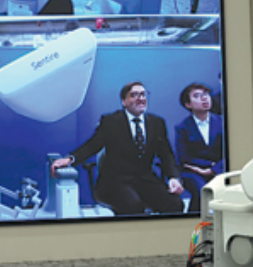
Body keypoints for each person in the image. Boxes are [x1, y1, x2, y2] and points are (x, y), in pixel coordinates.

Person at [51, 82, 184, 215]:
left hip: (145, 179)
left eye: (143, 95)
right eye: (134, 95)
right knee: (133, 206)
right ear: (124, 101)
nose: (141, 98)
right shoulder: (111, 121)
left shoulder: (157, 123)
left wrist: (173, 178)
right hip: (116, 181)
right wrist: (70, 159)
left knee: (175, 204)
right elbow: (92, 146)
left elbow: (166, 155)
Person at [174, 83, 224, 213]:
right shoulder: (182, 127)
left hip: (219, 168)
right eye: (197, 96)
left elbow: (229, 152)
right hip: (193, 171)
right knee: (203, 191)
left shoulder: (222, 122)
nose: (204, 98)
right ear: (188, 104)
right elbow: (184, 156)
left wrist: (212, 169)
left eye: (206, 94)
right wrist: (205, 168)